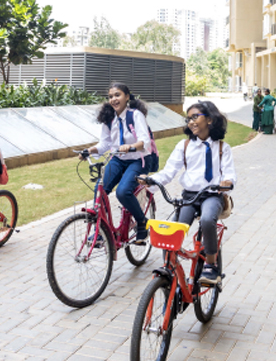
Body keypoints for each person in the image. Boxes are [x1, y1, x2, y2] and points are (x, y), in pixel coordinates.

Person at [139, 100, 235, 286]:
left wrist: (227, 182)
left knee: (207, 219)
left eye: (195, 117)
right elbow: (168, 172)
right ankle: (170, 267)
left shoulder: (222, 148)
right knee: (174, 229)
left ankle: (211, 265)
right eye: (188, 119)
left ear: (209, 119)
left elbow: (229, 173)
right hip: (190, 196)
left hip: (212, 195)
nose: (191, 122)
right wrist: (151, 180)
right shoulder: (184, 146)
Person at [86, 82, 152, 244]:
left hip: (138, 159)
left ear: (127, 97)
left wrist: (131, 146)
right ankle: (100, 231)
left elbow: (145, 140)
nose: (114, 99)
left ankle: (142, 222)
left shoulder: (135, 115)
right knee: (100, 189)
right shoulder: (109, 118)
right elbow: (105, 143)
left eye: (117, 95)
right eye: (110, 97)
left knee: (123, 192)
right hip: (118, 159)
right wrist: (90, 150)